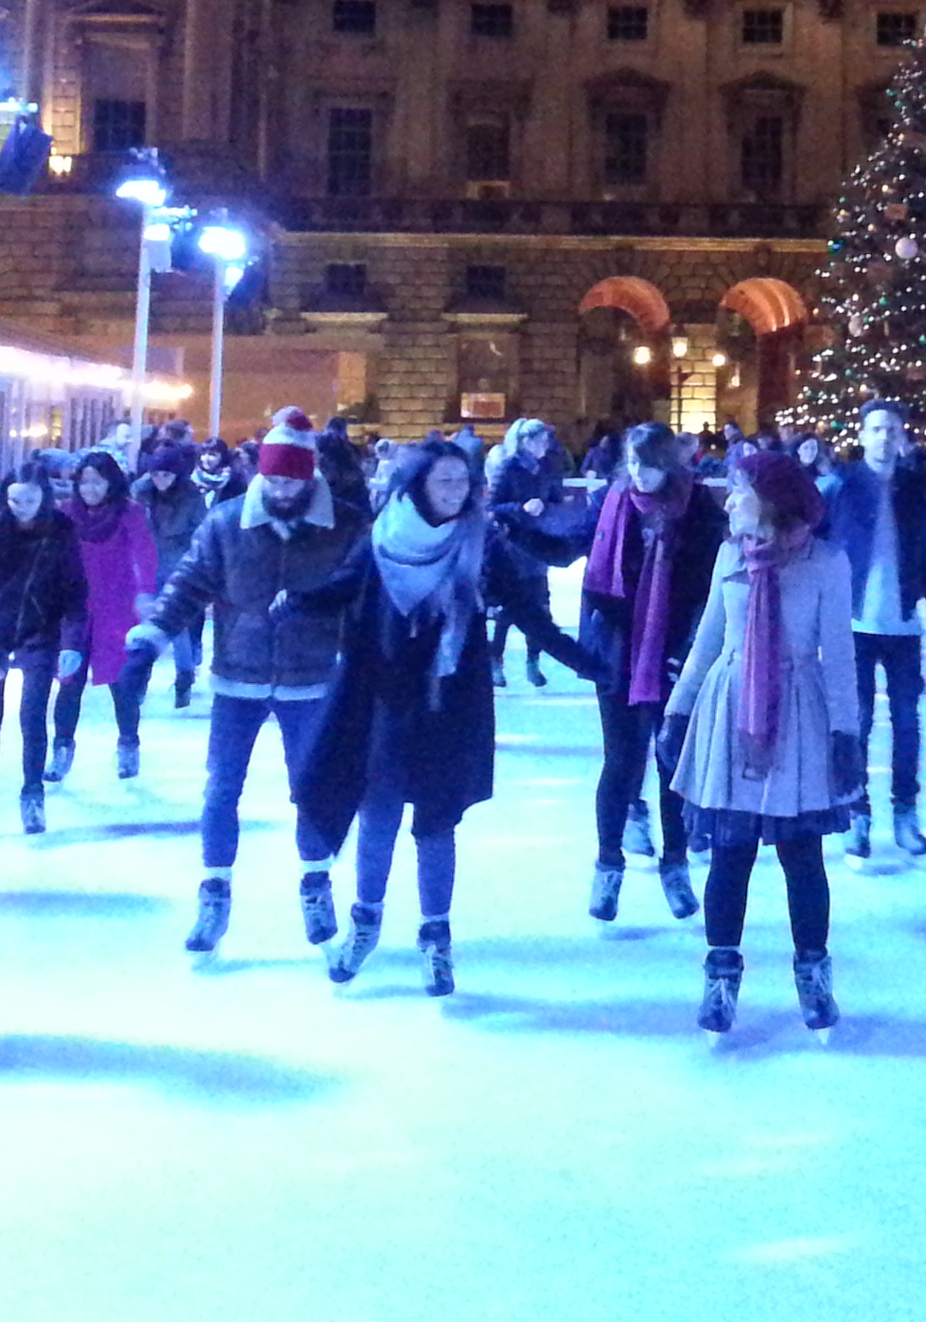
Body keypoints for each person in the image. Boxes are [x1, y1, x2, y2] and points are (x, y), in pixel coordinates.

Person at [295, 437, 599, 994]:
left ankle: (436, 942)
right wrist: (294, 600)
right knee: (379, 816)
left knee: (436, 825)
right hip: (387, 700)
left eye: (463, 481)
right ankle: (366, 926)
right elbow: (342, 588)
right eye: (445, 481)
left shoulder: (481, 544)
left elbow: (528, 612)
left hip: (449, 705)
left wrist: (586, 663)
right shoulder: (382, 539)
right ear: (419, 485)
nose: (457, 491)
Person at [135, 411, 358, 954]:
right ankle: (214, 891)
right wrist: (155, 635)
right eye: (273, 479)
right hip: (238, 676)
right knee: (221, 788)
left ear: (309, 476)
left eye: (291, 481)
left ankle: (316, 882)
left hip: (311, 679)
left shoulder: (344, 527)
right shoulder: (227, 522)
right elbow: (190, 582)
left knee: (311, 788)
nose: (281, 489)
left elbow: (362, 596)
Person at [658, 448, 860, 1035]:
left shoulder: (826, 563)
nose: (728, 503)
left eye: (739, 493)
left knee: (802, 854)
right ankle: (720, 979)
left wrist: (845, 733)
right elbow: (708, 640)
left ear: (771, 501)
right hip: (731, 708)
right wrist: (677, 711)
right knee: (730, 851)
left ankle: (813, 975)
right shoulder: (730, 555)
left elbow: (839, 656)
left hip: (797, 712)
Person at [577, 423, 725, 922]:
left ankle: (675, 866)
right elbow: (572, 546)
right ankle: (607, 866)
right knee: (620, 762)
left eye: (650, 463)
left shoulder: (698, 511)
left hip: (673, 655)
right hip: (617, 654)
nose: (639, 473)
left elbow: (708, 590)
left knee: (671, 765)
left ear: (669, 463)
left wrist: (688, 650)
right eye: (633, 462)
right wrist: (516, 525)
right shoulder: (612, 503)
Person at [820, 401, 926, 865]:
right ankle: (857, 815)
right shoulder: (840, 485)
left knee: (906, 723)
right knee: (856, 723)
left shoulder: (915, 489)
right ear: (862, 435)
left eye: (891, 429)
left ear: (901, 437)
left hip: (903, 627)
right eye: (876, 428)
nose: (883, 437)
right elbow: (817, 546)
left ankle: (905, 815)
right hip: (852, 627)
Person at [0, 465, 82, 834]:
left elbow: (75, 589)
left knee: (32, 715)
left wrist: (71, 641)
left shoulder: (61, 531)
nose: (22, 507)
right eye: (14, 500)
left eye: (30, 499)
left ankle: (32, 795)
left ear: (44, 496)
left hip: (41, 633)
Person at [54, 450, 159, 780]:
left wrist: (145, 592)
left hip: (117, 608)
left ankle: (128, 745)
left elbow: (144, 554)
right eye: (84, 482)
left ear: (111, 482)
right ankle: (61, 748)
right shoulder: (66, 513)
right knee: (69, 681)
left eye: (97, 481)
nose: (90, 488)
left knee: (121, 683)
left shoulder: (130, 512)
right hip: (75, 608)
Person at [483, 415, 584, 688]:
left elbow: (555, 498)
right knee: (510, 607)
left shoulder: (548, 467)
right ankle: (496, 660)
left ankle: (533, 662)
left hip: (538, 545)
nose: (544, 446)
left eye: (545, 441)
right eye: (539, 441)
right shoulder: (508, 467)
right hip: (512, 546)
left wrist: (550, 507)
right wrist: (520, 508)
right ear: (525, 442)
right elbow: (492, 506)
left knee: (540, 605)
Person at [130, 441, 211, 707]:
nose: (160, 480)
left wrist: (193, 564)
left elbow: (201, 532)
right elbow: (131, 525)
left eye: (166, 475)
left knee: (175, 623)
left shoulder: (191, 496)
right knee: (145, 622)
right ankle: (139, 677)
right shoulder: (141, 492)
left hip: (179, 565)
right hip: (145, 564)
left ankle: (184, 676)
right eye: (156, 474)